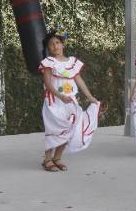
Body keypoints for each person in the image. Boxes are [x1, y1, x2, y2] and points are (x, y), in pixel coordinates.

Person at [39, 29, 101, 171]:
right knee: (54, 129)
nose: (55, 46)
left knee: (69, 129)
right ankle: (47, 159)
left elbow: (80, 81)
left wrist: (90, 97)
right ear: (48, 48)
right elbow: (48, 84)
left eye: (57, 42)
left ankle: (57, 158)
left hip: (70, 101)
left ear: (63, 44)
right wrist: (60, 96)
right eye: (51, 44)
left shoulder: (72, 62)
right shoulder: (49, 62)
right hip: (54, 102)